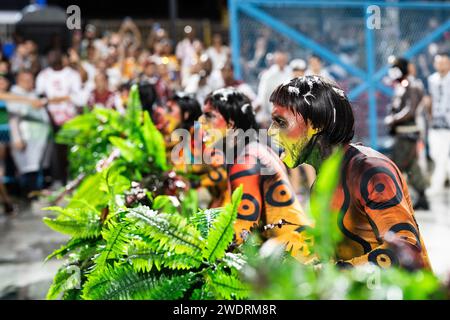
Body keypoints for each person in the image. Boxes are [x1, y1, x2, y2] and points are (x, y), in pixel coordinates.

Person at [268, 75, 431, 269]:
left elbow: (406, 250)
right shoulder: (323, 183)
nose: (270, 131)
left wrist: (331, 272)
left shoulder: (370, 171)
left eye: (281, 122)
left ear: (315, 125)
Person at [199, 87, 311, 257]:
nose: (201, 121)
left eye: (209, 116)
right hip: (292, 251)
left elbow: (242, 233)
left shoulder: (245, 161)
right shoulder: (254, 149)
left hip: (292, 261)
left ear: (231, 124)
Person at [384, 56, 430, 210]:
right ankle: (421, 197)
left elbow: (409, 110)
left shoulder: (412, 85)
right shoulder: (403, 85)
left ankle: (395, 199)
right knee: (411, 165)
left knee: (398, 166)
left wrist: (393, 119)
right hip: (402, 133)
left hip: (407, 134)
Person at [6, 70, 51, 198]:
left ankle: (37, 193)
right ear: (19, 81)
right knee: (29, 168)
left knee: (37, 167)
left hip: (40, 137)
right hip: (26, 138)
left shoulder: (33, 94)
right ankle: (32, 196)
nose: (30, 83)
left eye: (31, 80)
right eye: (27, 80)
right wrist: (17, 138)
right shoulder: (15, 95)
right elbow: (13, 119)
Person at [426, 53, 450, 196]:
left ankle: (437, 185)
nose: (441, 65)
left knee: (441, 155)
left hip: (448, 124)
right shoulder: (431, 80)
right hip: (435, 123)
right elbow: (429, 99)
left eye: (444, 62)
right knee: (435, 154)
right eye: (438, 62)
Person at [256, 51, 291, 127]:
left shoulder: (291, 72)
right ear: (275, 60)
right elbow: (262, 96)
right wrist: (263, 116)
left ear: (286, 59)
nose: (281, 61)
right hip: (273, 112)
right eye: (279, 59)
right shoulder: (268, 75)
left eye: (283, 59)